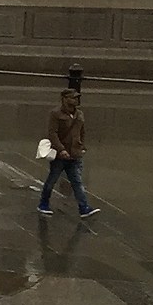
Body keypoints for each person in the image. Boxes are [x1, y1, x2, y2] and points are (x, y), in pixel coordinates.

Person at [40, 89, 97, 217]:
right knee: (52, 180)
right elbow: (52, 133)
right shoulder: (55, 114)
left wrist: (82, 146)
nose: (76, 100)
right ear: (64, 99)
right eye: (72, 98)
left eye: (76, 98)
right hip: (60, 155)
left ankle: (84, 207)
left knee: (77, 181)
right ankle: (43, 204)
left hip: (74, 154)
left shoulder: (79, 114)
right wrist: (61, 149)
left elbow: (82, 132)